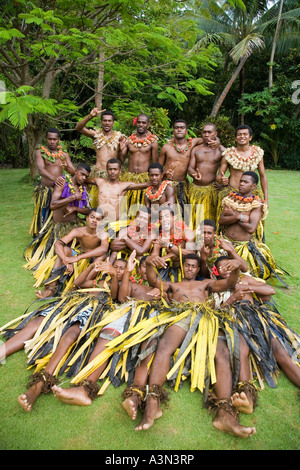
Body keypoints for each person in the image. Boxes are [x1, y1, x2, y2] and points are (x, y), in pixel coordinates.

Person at [131, 254, 241, 431]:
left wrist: (236, 268)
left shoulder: (205, 284)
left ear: (198, 269)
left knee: (222, 354)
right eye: (187, 266)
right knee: (164, 347)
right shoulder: (173, 285)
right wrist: (151, 264)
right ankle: (152, 403)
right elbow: (154, 282)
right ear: (183, 267)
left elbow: (230, 284)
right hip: (182, 316)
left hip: (205, 317)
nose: (190, 269)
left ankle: (225, 414)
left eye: (193, 266)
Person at [0, 259, 125, 412]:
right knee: (38, 322)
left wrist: (114, 276)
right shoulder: (98, 282)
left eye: (121, 268)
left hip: (91, 311)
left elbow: (115, 297)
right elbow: (78, 283)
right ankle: (3, 351)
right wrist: (93, 265)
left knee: (69, 336)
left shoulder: (121, 286)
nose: (117, 269)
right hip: (70, 304)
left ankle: (39, 385)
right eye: (116, 266)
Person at [51, 252, 166, 406]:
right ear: (138, 270)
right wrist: (127, 272)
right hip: (127, 311)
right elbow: (122, 298)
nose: (146, 270)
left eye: (150, 267)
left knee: (149, 345)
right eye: (143, 266)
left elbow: (169, 298)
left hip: (151, 318)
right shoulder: (132, 284)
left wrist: (161, 291)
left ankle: (135, 395)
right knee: (107, 335)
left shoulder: (164, 287)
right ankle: (85, 389)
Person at [207, 256, 300, 436]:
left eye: (229, 266)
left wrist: (244, 287)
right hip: (232, 321)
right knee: (241, 348)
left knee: (281, 351)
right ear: (216, 272)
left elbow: (269, 290)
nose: (226, 270)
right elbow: (213, 312)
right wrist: (231, 299)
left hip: (257, 320)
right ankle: (246, 396)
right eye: (222, 268)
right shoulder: (215, 287)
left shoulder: (244, 279)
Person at [218, 171, 287, 285]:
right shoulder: (231, 199)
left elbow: (251, 228)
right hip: (226, 242)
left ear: (253, 186)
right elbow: (221, 220)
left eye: (245, 182)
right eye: (241, 181)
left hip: (242, 246)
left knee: (241, 274)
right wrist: (239, 216)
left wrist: (233, 214)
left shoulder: (256, 204)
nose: (241, 184)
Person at [24, 163, 91, 272]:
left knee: (78, 250)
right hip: (58, 227)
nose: (84, 178)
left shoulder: (82, 188)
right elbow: (53, 205)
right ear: (75, 171)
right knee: (56, 253)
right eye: (82, 174)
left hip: (74, 226)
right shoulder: (63, 182)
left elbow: (88, 210)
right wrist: (73, 197)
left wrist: (76, 209)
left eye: (86, 176)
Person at [35, 207, 109, 298]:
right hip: (79, 255)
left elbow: (103, 249)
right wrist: (65, 259)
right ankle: (51, 287)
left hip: (91, 261)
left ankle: (80, 285)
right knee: (65, 250)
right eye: (92, 217)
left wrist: (78, 258)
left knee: (101, 256)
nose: (94, 221)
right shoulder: (78, 231)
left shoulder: (103, 234)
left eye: (98, 219)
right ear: (87, 218)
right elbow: (58, 243)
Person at [216, 124, 268, 238]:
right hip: (230, 193)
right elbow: (220, 175)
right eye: (239, 135)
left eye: (245, 134)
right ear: (235, 138)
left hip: (251, 194)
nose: (242, 137)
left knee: (251, 221)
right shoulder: (229, 154)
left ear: (250, 137)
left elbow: (263, 176)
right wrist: (221, 179)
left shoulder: (257, 153)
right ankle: (224, 240)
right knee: (226, 220)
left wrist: (266, 198)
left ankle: (254, 245)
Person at [159, 120, 219, 217]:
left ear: (186, 131)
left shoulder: (192, 144)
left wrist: (217, 141)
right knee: (166, 212)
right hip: (167, 184)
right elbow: (158, 168)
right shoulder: (166, 148)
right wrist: (164, 175)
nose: (179, 130)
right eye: (176, 128)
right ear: (173, 131)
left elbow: (207, 138)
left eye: (182, 128)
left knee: (183, 212)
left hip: (183, 184)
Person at [30, 127, 75, 237]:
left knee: (57, 213)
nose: (52, 141)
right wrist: (54, 178)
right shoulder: (40, 152)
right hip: (45, 189)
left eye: (54, 139)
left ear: (58, 139)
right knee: (43, 211)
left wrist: (66, 167)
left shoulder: (64, 154)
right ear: (46, 139)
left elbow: (73, 171)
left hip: (59, 190)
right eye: (50, 139)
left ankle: (54, 233)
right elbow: (41, 170)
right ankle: (40, 233)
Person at [75, 107, 125, 207]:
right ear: (101, 122)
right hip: (98, 174)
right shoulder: (96, 135)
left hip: (113, 174)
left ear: (113, 123)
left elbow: (121, 160)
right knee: (95, 204)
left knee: (112, 203)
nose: (107, 123)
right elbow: (78, 128)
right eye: (105, 120)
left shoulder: (119, 137)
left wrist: (122, 150)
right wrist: (90, 116)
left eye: (109, 121)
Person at [87, 158, 150, 231]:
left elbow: (146, 184)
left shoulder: (124, 185)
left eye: (115, 169)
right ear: (107, 170)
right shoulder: (99, 182)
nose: (112, 172)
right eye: (110, 169)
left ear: (120, 170)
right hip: (99, 220)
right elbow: (83, 179)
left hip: (114, 222)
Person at [187, 123, 225, 227]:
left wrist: (225, 183)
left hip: (211, 190)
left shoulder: (221, 150)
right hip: (195, 189)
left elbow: (232, 165)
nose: (206, 134)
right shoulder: (196, 149)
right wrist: (194, 174)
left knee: (209, 217)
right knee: (191, 217)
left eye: (209, 132)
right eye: (204, 132)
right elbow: (190, 168)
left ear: (215, 134)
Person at [119, 114, 159, 211]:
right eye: (139, 122)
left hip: (145, 178)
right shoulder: (129, 140)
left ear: (148, 125)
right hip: (130, 177)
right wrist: (120, 149)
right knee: (128, 206)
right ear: (136, 123)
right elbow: (121, 160)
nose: (141, 124)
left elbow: (155, 163)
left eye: (143, 122)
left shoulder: (152, 141)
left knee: (143, 206)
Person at [151, 206, 196, 281]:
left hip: (185, 271)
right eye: (161, 218)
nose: (164, 220)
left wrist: (169, 246)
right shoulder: (161, 237)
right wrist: (168, 256)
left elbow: (192, 253)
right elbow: (153, 258)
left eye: (167, 216)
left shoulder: (186, 232)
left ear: (174, 218)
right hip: (167, 269)